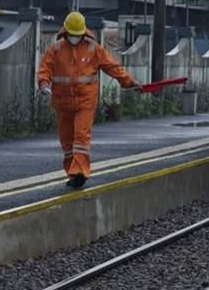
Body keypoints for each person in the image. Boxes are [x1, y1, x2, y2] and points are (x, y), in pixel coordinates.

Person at [37, 11, 140, 188]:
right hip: (62, 101)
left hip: (85, 101)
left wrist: (128, 82)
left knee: (81, 136)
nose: (75, 38)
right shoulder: (57, 49)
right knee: (67, 140)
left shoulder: (93, 49)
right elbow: (45, 68)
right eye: (72, 35)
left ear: (83, 33)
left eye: (78, 35)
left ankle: (80, 172)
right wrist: (44, 84)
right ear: (66, 32)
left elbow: (112, 66)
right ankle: (72, 171)